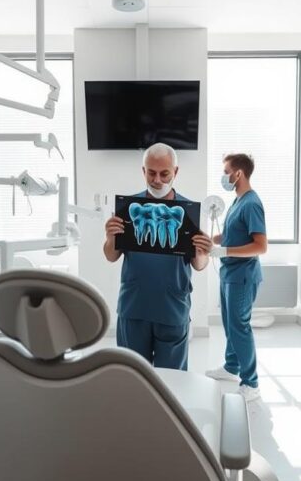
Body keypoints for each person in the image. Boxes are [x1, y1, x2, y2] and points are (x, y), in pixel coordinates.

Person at [103, 143, 213, 370]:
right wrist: (111, 237)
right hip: (134, 308)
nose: (157, 180)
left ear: (176, 172)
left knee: (172, 382)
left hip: (172, 309)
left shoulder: (188, 213)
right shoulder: (127, 209)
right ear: (143, 171)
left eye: (165, 174)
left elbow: (199, 265)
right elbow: (110, 256)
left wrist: (202, 252)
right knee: (133, 380)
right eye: (151, 173)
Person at [206, 153, 268, 402]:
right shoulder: (237, 202)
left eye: (226, 171)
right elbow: (232, 234)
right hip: (229, 272)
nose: (224, 176)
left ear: (238, 174)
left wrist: (225, 251)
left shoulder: (252, 203)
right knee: (229, 323)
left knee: (239, 327)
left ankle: (251, 383)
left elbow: (260, 245)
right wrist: (210, 240)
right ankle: (232, 366)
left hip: (242, 275)